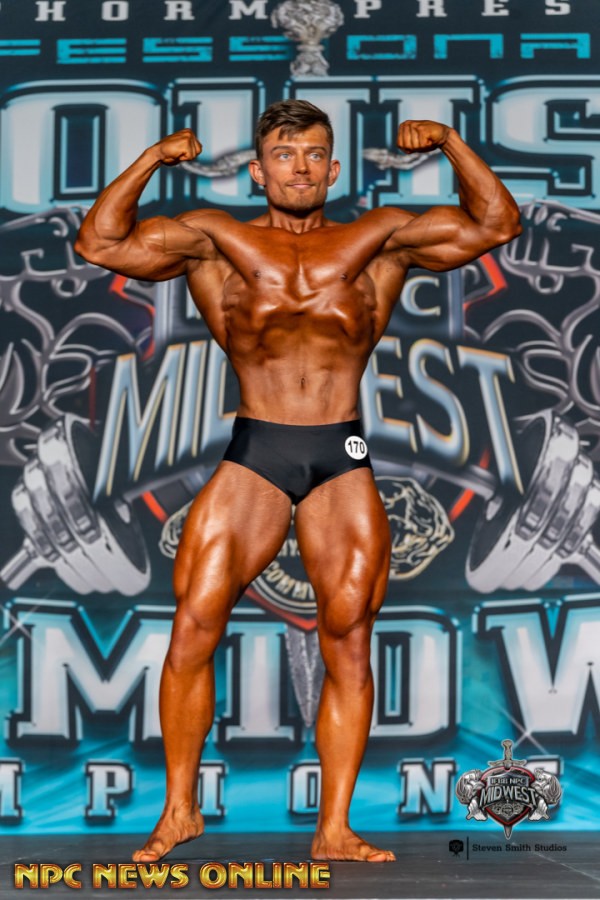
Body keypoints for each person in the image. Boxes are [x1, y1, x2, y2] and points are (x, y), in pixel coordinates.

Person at [75, 100, 521, 863]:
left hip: (339, 449)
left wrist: (450, 142)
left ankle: (334, 828)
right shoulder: (216, 240)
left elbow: (496, 224)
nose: (301, 168)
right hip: (258, 446)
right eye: (284, 155)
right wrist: (151, 160)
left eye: (314, 154)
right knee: (194, 623)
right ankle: (179, 811)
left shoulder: (378, 239)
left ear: (334, 167)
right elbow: (99, 241)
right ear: (258, 169)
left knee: (348, 640)